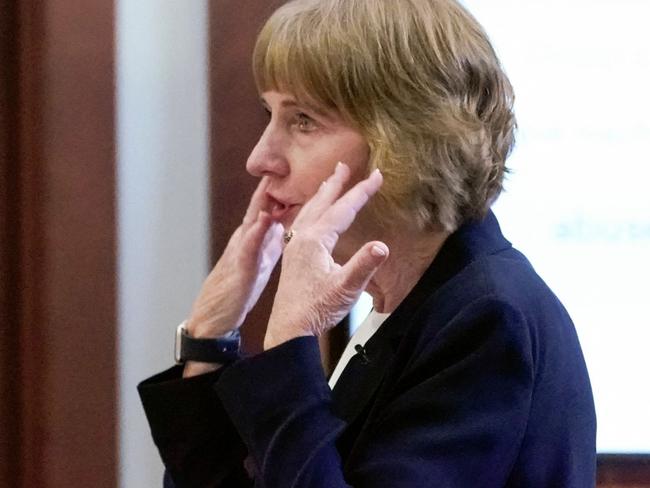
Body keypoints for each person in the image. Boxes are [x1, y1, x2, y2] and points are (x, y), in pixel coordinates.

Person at [138, 0, 597, 486]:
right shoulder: (403, 307)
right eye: (269, 114)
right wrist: (210, 337)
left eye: (303, 121)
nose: (259, 158)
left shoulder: (486, 318)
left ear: (404, 139)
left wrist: (291, 342)